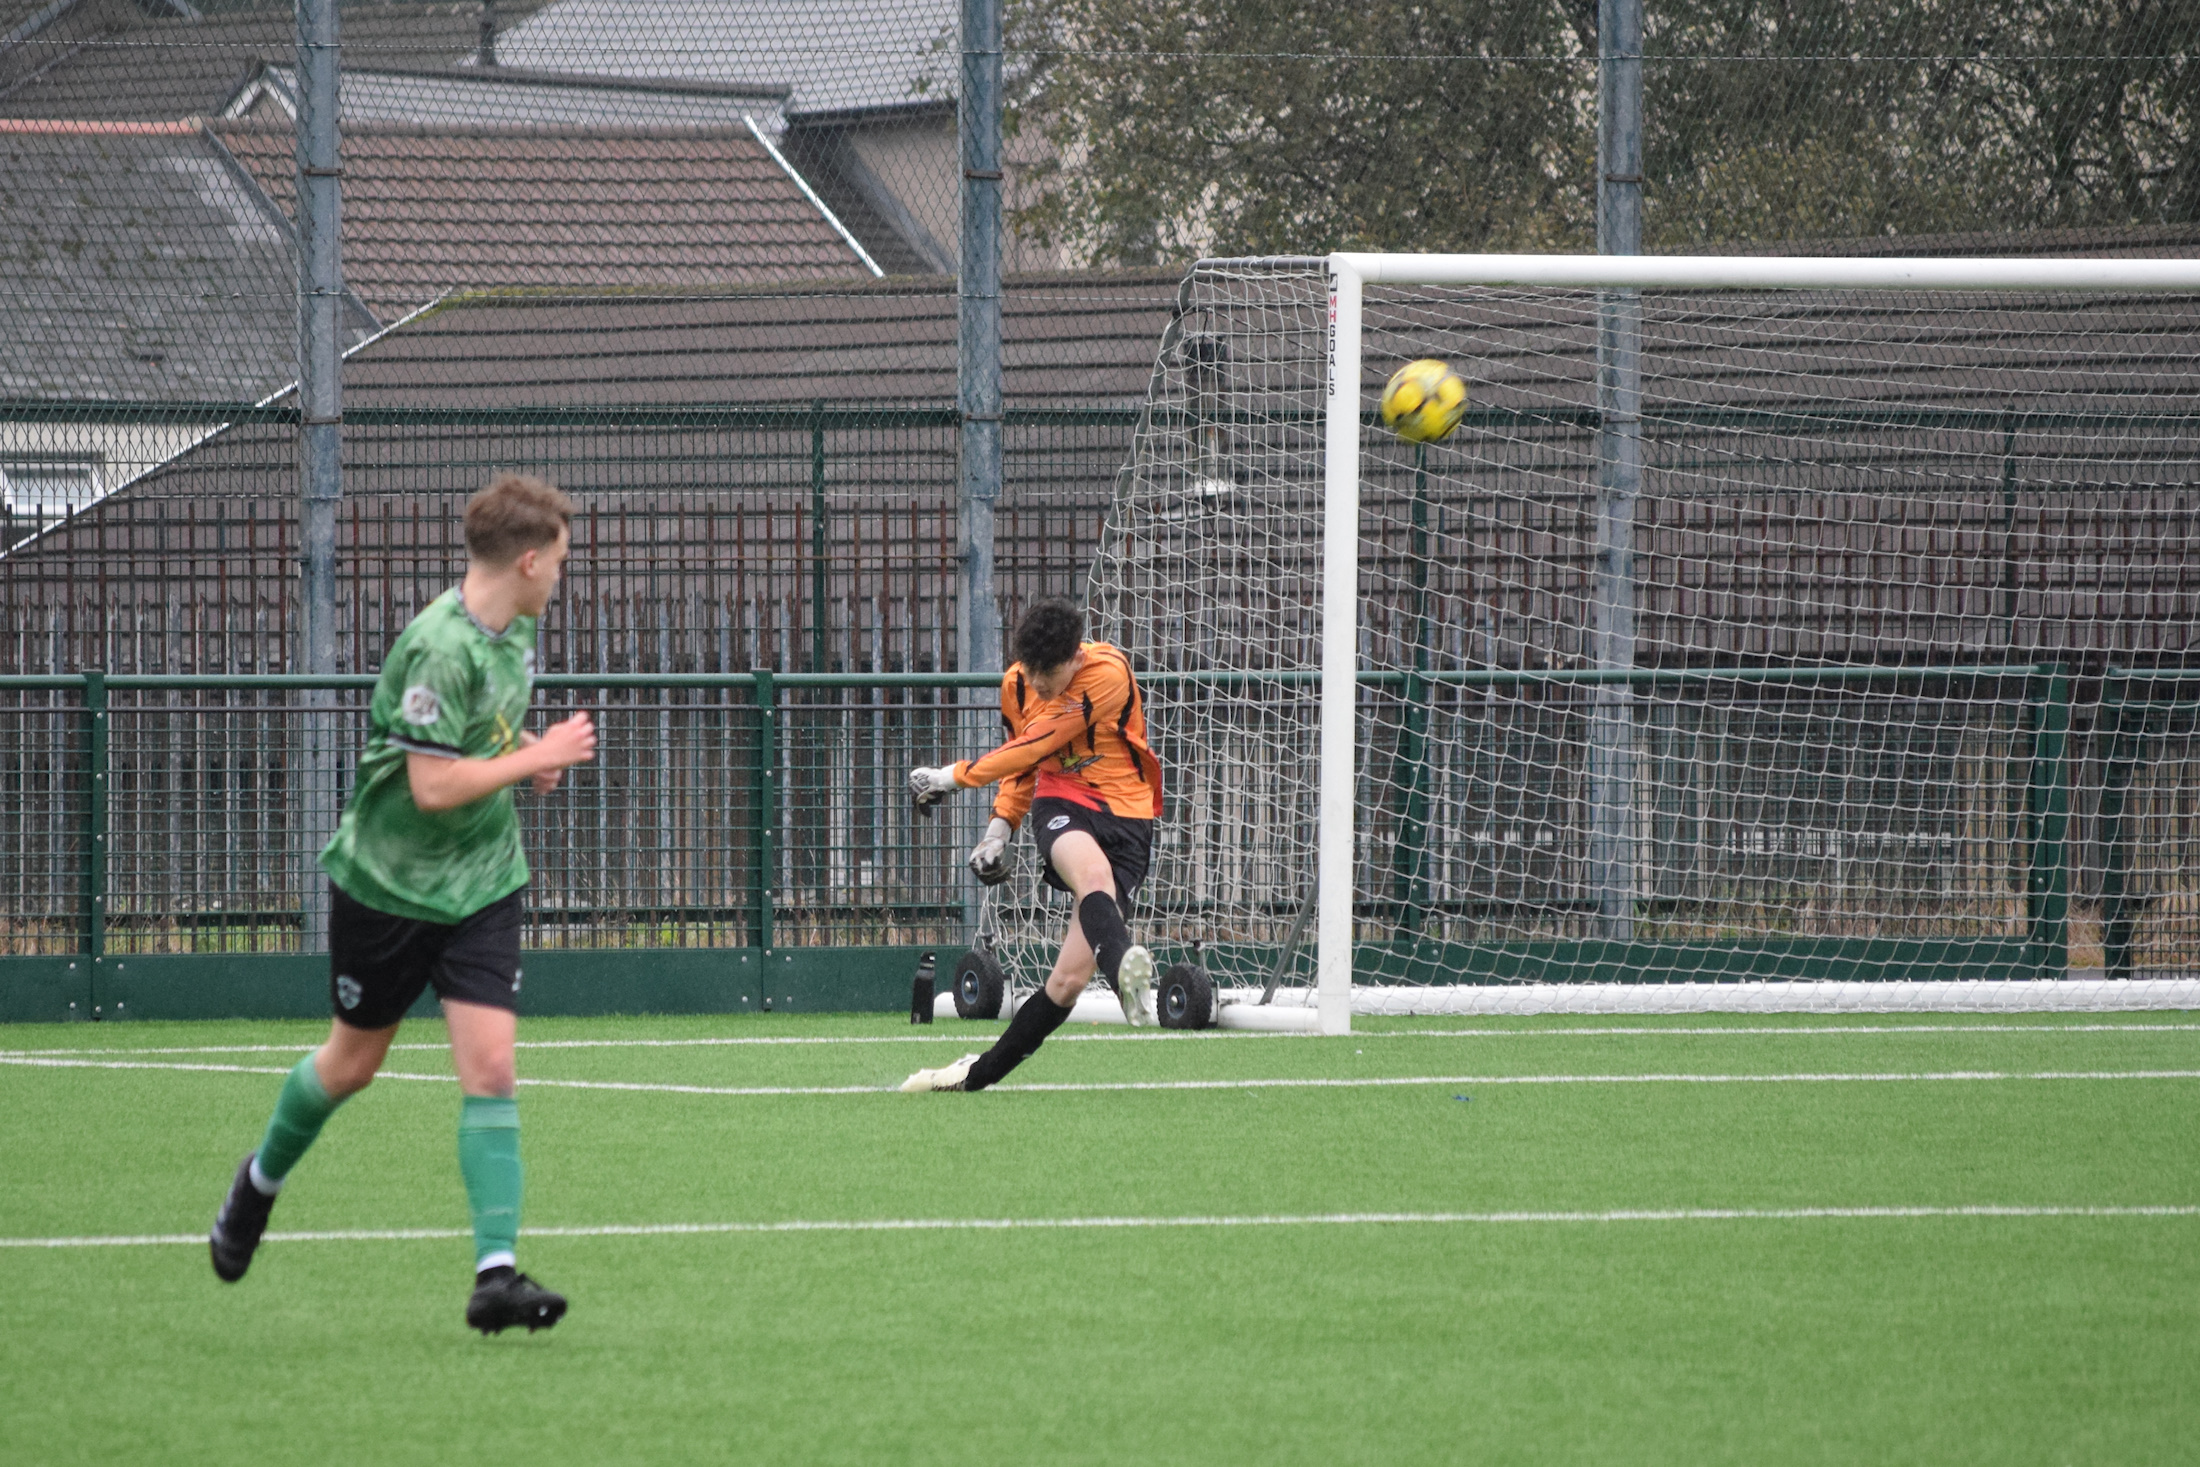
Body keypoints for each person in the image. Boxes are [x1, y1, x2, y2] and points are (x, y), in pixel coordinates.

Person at [207, 474, 597, 1335]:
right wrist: (534, 759)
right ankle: (258, 1182)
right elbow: (431, 785)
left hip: (483, 883)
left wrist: (527, 752)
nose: (563, 574)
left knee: (491, 1068)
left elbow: (483, 738)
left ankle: (495, 1275)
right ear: (528, 561)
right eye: (561, 559)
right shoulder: (436, 648)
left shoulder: (517, 629)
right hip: (388, 888)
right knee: (350, 1066)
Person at [900, 597, 1163, 1092]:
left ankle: (974, 1076)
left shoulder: (1108, 673)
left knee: (1066, 983)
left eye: (1049, 672)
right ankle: (1126, 976)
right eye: (1030, 668)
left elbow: (1035, 744)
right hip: (1064, 802)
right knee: (1093, 877)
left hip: (1128, 818)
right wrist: (999, 831)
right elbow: (1025, 766)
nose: (1037, 682)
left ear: (1076, 658)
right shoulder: (1017, 685)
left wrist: (949, 777)